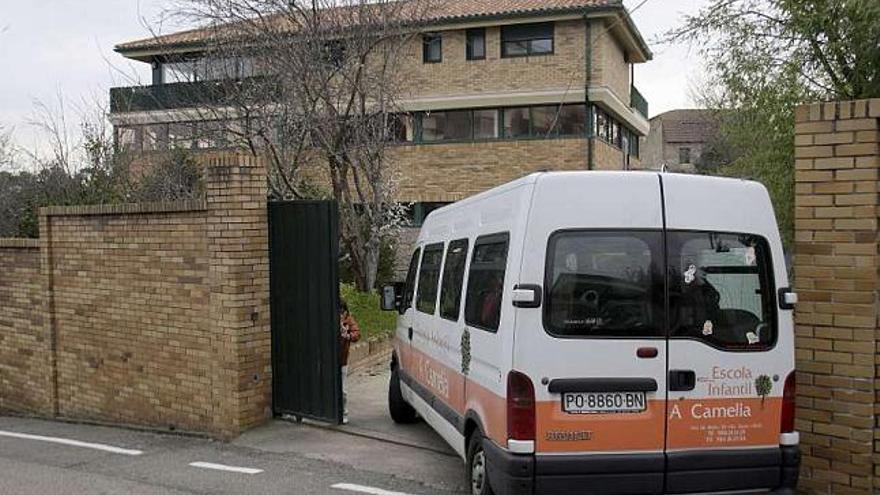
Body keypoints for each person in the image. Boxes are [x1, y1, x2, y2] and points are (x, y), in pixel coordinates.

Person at [339, 299, 361, 424]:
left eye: (342, 311)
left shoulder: (349, 321)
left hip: (342, 360)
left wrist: (347, 335)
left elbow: (357, 334)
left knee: (343, 391)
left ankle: (344, 412)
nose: (341, 314)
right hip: (329, 361)